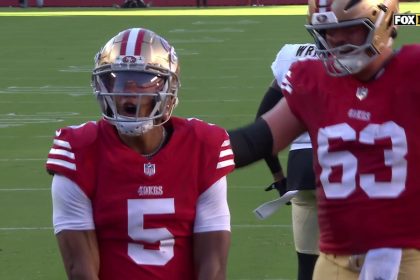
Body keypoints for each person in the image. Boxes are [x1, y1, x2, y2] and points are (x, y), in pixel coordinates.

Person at [230, 0, 420, 279]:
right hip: (336, 261)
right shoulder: (314, 81)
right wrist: (187, 146)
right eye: (329, 31)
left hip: (407, 255)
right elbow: (255, 141)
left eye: (350, 29)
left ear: (382, 23)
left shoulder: (412, 73)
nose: (337, 40)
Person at [46, 28, 234, 280]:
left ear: (169, 88)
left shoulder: (203, 146)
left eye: (142, 80)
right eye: (116, 79)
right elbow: (80, 270)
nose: (127, 92)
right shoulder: (77, 151)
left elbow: (213, 265)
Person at [254, 43, 318, 280]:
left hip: (300, 172)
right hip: (345, 171)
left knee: (307, 266)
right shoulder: (362, 56)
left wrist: (279, 177)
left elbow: (261, 123)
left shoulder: (292, 56)